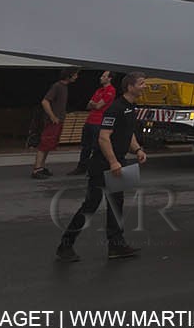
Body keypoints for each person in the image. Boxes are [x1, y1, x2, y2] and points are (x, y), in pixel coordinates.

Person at [56, 71, 148, 262]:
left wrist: (137, 149)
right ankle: (65, 245)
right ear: (130, 87)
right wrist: (113, 162)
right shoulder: (115, 108)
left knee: (116, 204)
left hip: (118, 161)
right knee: (91, 205)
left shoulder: (132, 107)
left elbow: (128, 133)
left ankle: (116, 245)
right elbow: (103, 137)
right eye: (141, 83)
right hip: (102, 164)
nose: (144, 86)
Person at [30, 67, 79, 178]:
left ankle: (41, 167)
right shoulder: (57, 86)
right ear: (69, 75)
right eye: (75, 74)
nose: (76, 77)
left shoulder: (64, 87)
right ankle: (37, 169)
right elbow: (45, 101)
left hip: (58, 121)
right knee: (44, 144)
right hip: (52, 121)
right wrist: (52, 116)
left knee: (49, 145)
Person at [69, 70, 117, 177]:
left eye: (104, 76)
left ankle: (93, 168)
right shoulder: (99, 90)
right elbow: (89, 105)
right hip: (90, 120)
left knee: (96, 147)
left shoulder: (111, 90)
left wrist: (94, 104)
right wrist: (94, 104)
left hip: (99, 122)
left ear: (109, 79)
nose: (101, 78)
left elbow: (98, 105)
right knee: (86, 146)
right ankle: (81, 167)